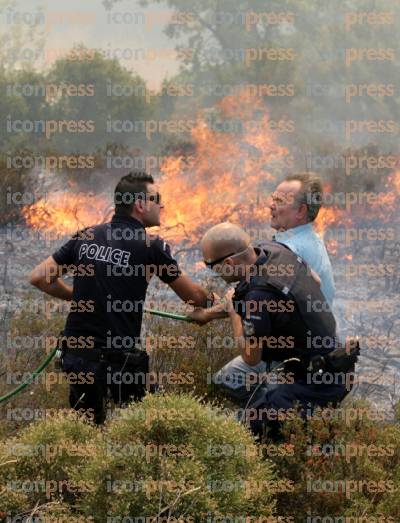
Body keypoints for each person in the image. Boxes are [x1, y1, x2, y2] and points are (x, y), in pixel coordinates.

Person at [29, 171, 209, 424]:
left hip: (77, 357)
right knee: (142, 429)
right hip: (119, 363)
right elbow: (195, 298)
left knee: (88, 429)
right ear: (140, 204)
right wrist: (215, 301)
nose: (162, 205)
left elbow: (38, 277)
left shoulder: (87, 235)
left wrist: (76, 296)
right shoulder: (151, 246)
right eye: (157, 199)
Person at [190, 223, 355, 440]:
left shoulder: (258, 295)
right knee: (228, 380)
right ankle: (273, 403)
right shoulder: (271, 249)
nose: (214, 273)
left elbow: (250, 357)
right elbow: (314, 279)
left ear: (229, 263)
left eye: (213, 266)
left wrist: (233, 313)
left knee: (247, 434)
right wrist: (208, 314)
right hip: (319, 357)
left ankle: (292, 427)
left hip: (319, 379)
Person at [268, 172, 335, 306]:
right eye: (273, 199)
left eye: (279, 201)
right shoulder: (309, 238)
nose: (271, 205)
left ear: (301, 211)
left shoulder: (290, 250)